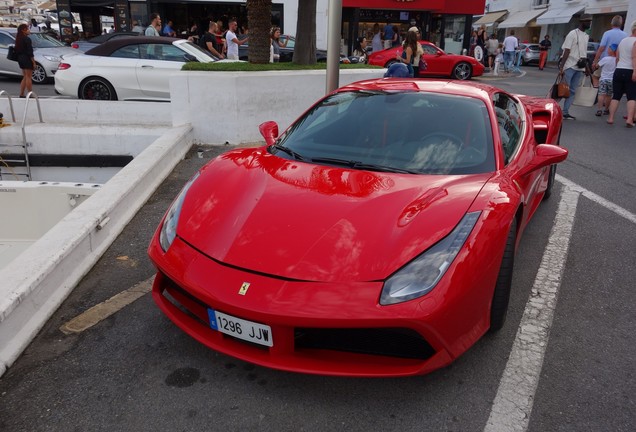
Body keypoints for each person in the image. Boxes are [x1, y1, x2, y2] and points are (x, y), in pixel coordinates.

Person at [559, 14, 593, 120]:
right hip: (569, 65)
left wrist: (587, 67)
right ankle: (553, 109)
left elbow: (583, 53)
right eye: (588, 22)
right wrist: (562, 66)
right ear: (582, 22)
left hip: (580, 67)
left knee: (573, 90)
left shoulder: (586, 36)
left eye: (590, 21)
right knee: (562, 90)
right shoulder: (572, 34)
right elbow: (567, 50)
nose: (589, 23)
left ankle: (565, 112)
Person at [606, 20, 636, 127]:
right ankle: (629, 119)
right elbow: (634, 57)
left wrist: (618, 67)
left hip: (619, 70)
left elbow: (617, 57)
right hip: (630, 70)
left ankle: (611, 117)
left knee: (616, 96)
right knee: (632, 96)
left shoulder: (623, 41)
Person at [595, 44, 618, 116]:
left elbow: (597, 66)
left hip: (603, 79)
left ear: (612, 51)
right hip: (612, 80)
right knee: (609, 95)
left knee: (601, 94)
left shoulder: (605, 59)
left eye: (609, 49)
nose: (607, 50)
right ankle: (606, 109)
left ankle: (599, 109)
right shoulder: (617, 60)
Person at [14, 24, 35, 98]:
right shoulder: (27, 39)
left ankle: (22, 93)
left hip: (20, 59)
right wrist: (34, 62)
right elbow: (30, 52)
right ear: (23, 30)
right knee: (28, 77)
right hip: (27, 59)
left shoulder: (18, 39)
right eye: (27, 29)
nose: (29, 30)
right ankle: (30, 93)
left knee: (25, 76)